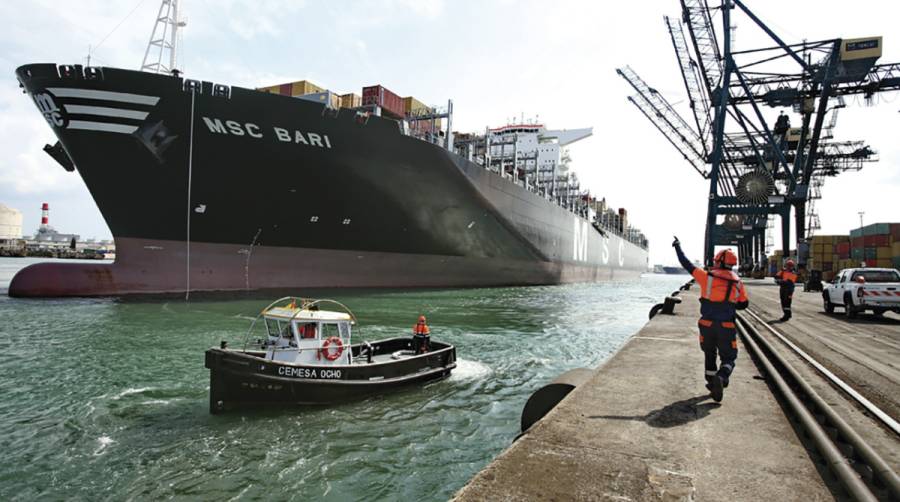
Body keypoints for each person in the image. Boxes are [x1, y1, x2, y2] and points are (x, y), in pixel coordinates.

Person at [673, 237, 749, 402]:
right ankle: (721, 378)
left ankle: (711, 383)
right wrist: (728, 304)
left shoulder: (706, 277)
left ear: (719, 262)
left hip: (706, 325)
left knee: (709, 353)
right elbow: (744, 304)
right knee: (729, 358)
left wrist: (678, 247)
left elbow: (686, 263)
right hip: (726, 326)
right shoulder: (738, 283)